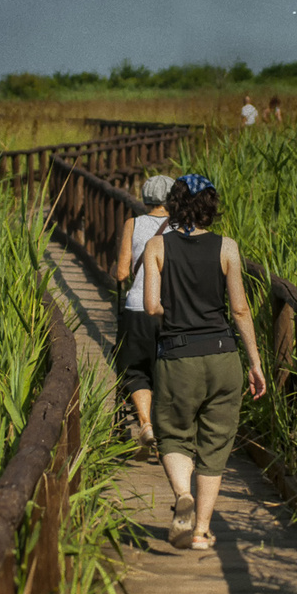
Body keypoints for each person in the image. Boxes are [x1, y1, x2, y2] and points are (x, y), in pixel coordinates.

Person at [143, 174, 266, 549]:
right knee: (215, 444)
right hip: (223, 354)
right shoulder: (227, 247)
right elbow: (241, 310)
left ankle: (183, 494)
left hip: (179, 357)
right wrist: (256, 363)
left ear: (175, 204)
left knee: (175, 434)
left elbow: (151, 307)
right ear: (211, 206)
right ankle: (201, 532)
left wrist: (174, 308)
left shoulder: (156, 246)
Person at [115, 174, 175, 451]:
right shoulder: (180, 228)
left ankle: (145, 423)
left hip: (138, 307)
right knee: (167, 369)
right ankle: (170, 429)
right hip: (169, 310)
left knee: (136, 370)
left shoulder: (133, 224)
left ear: (146, 197)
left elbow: (122, 272)